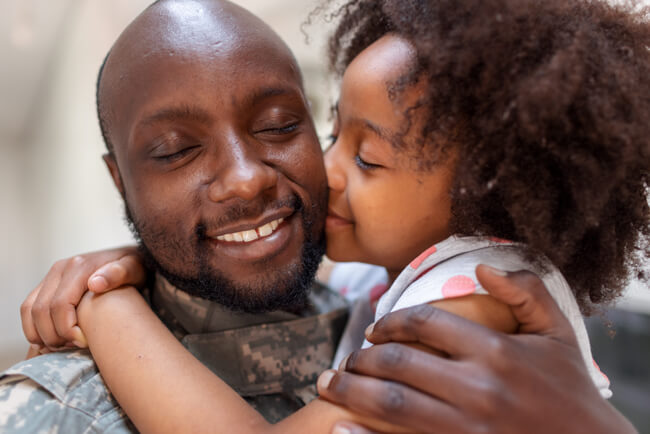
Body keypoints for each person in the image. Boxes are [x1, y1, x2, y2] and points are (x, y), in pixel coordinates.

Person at [11, 0, 648, 433]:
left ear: (483, 190)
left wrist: (107, 305)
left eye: (367, 159)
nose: (326, 167)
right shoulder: (384, 281)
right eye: (332, 132)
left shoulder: (470, 303)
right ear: (121, 182)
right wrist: (134, 261)